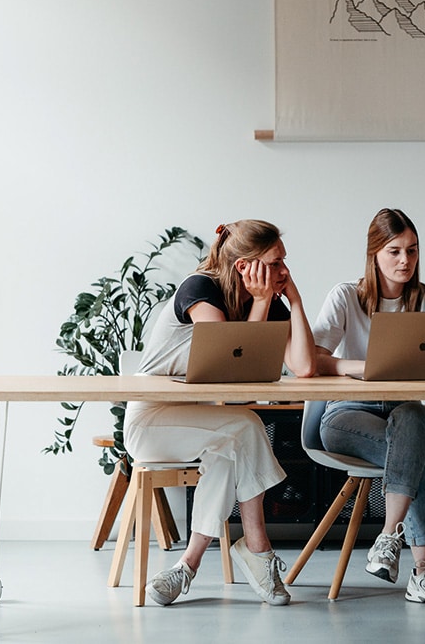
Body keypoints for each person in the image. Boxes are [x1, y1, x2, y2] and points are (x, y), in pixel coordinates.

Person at [126, 219, 316, 607]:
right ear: (246, 266)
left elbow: (304, 366)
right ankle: (258, 549)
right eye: (276, 262)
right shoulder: (199, 289)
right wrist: (264, 303)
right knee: (246, 426)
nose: (284, 271)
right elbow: (233, 372)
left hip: (200, 426)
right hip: (151, 422)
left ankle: (186, 567)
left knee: (234, 447)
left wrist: (293, 300)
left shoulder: (260, 302)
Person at [311, 208, 425, 607]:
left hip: (407, 414)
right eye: (395, 251)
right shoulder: (346, 296)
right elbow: (310, 360)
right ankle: (424, 572)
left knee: (414, 420)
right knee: (419, 452)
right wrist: (359, 368)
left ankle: (388, 539)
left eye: (413, 251)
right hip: (347, 413)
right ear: (374, 255)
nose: (405, 261)